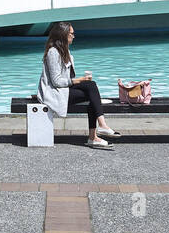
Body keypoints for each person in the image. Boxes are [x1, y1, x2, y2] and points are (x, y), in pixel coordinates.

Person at [38, 21, 120, 149]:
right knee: (91, 93)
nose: (73, 36)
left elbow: (66, 79)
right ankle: (96, 133)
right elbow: (56, 81)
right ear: (63, 35)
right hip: (54, 92)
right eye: (71, 34)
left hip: (64, 89)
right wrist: (79, 80)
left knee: (91, 85)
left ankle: (98, 132)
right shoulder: (53, 52)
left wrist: (81, 80)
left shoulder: (67, 52)